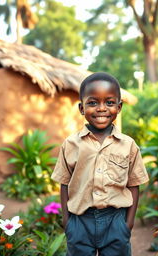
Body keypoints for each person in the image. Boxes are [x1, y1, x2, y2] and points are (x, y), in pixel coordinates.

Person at [51, 72, 149, 256]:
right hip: (80, 221)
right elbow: (64, 183)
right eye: (93, 102)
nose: (101, 108)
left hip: (116, 220)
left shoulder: (129, 145)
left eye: (109, 102)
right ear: (81, 108)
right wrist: (67, 222)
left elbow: (134, 184)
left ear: (119, 107)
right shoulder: (71, 144)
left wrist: (128, 224)